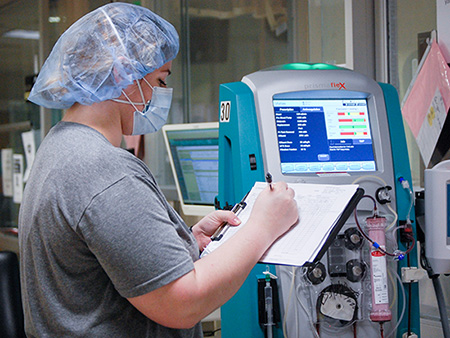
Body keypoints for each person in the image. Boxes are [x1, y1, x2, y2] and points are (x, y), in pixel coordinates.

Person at [18, 3, 299, 337]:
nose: (161, 93)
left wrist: (183, 243)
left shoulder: (61, 147)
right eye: (159, 79)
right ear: (123, 73)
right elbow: (182, 305)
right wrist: (264, 227)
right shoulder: (104, 169)